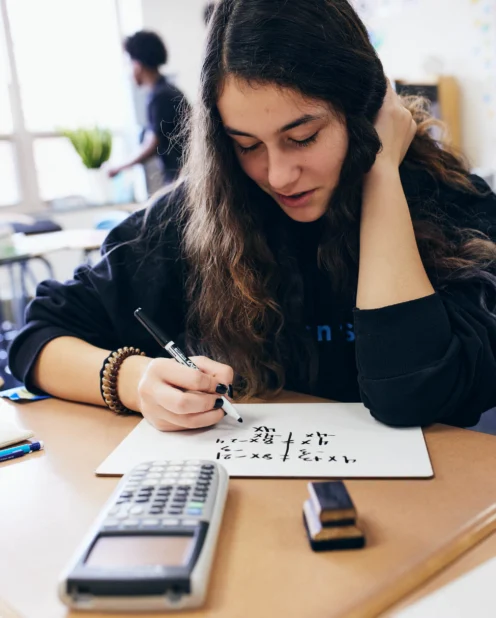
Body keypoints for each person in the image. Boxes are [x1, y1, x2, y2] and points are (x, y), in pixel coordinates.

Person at [9, 0, 496, 433]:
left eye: (302, 137)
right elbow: (38, 337)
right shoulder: (204, 212)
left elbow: (410, 396)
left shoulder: (453, 205)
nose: (279, 176)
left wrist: (382, 174)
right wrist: (135, 380)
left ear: (364, 112)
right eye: (245, 145)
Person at [107, 30, 190, 184]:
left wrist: (119, 167)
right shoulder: (169, 91)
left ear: (138, 65)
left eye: (130, 63)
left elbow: (151, 144)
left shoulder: (161, 96)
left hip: (181, 179)